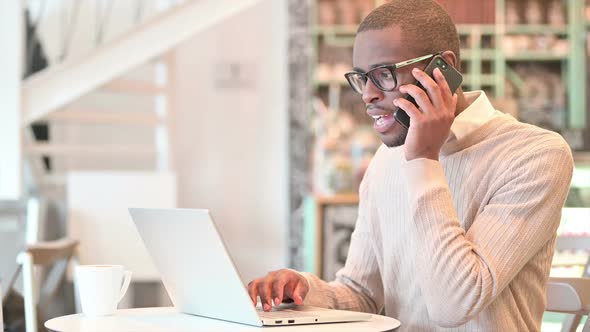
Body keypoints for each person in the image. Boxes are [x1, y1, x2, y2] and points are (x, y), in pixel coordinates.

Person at [248, 1, 574, 330]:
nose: (368, 95)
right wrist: (305, 292)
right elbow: (362, 294)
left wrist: (422, 159)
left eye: (384, 74)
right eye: (362, 78)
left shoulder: (535, 155)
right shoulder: (386, 160)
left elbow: (453, 305)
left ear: (442, 68)